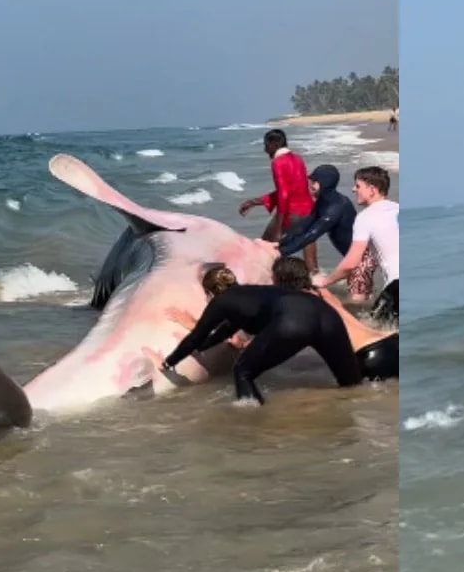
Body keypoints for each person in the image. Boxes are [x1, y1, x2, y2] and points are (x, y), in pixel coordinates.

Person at [156, 267, 362, 404]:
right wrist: (204, 347)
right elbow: (225, 331)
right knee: (352, 385)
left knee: (242, 371)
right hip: (326, 315)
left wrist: (168, 362)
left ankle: (251, 423)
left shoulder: (221, 301)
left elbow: (195, 337)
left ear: (211, 291)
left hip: (293, 322)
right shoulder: (253, 294)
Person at [271, 257, 397, 380]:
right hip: (390, 340)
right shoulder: (322, 291)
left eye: (273, 277)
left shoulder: (296, 303)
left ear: (278, 280)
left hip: (369, 355)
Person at [315, 166, 399, 324]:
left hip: (397, 285)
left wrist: (325, 282)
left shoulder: (366, 217)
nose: (353, 190)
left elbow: (352, 263)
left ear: (372, 189)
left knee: (372, 333)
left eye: (358, 186)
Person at [239, 129, 315, 254]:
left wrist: (279, 227)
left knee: (264, 248)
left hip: (292, 213)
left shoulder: (278, 162)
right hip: (309, 211)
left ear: (274, 144)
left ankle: (271, 273)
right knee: (307, 240)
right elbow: (294, 189)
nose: (265, 150)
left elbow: (283, 194)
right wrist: (254, 202)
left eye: (266, 145)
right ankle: (314, 271)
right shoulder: (298, 159)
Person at [276, 164, 356, 275]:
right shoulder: (324, 202)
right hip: (351, 257)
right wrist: (278, 244)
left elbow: (311, 235)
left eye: (314, 182)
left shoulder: (335, 208)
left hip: (361, 258)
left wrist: (280, 252)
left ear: (324, 185)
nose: (310, 186)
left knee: (357, 287)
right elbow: (304, 227)